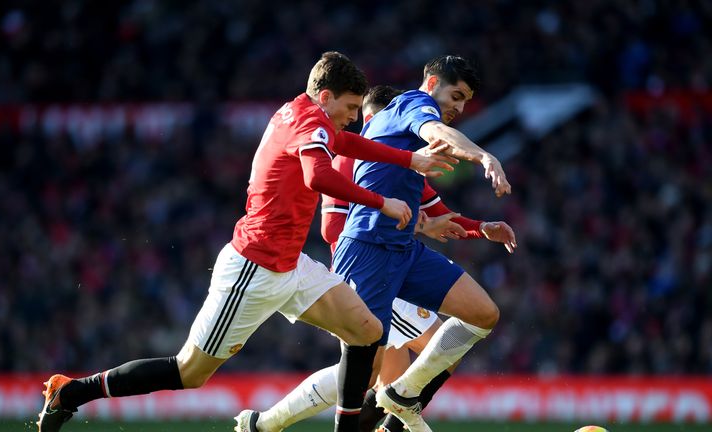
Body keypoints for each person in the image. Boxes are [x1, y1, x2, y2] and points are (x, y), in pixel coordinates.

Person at [36, 51, 457, 432]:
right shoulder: (308, 123)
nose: (352, 116)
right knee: (190, 372)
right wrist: (381, 201)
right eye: (349, 107)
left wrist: (410, 158)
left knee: (368, 333)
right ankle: (72, 393)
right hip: (252, 269)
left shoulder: (303, 113)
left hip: (291, 265)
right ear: (326, 97)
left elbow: (345, 141)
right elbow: (318, 177)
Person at [235, 85, 516, 432]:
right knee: (423, 355)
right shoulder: (349, 159)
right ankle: (391, 418)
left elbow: (438, 215)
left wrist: (480, 227)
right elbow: (334, 229)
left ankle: (263, 424)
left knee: (375, 377)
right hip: (369, 264)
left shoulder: (403, 165)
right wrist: (417, 226)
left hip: (395, 263)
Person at [329, 55, 512, 432]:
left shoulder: (410, 153)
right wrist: (482, 155)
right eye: (456, 95)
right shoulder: (413, 105)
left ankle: (403, 394)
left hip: (403, 252)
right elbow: (436, 131)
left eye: (465, 101)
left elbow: (437, 211)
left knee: (483, 314)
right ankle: (267, 423)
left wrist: (481, 228)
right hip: (367, 250)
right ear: (431, 84)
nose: (459, 108)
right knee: (364, 376)